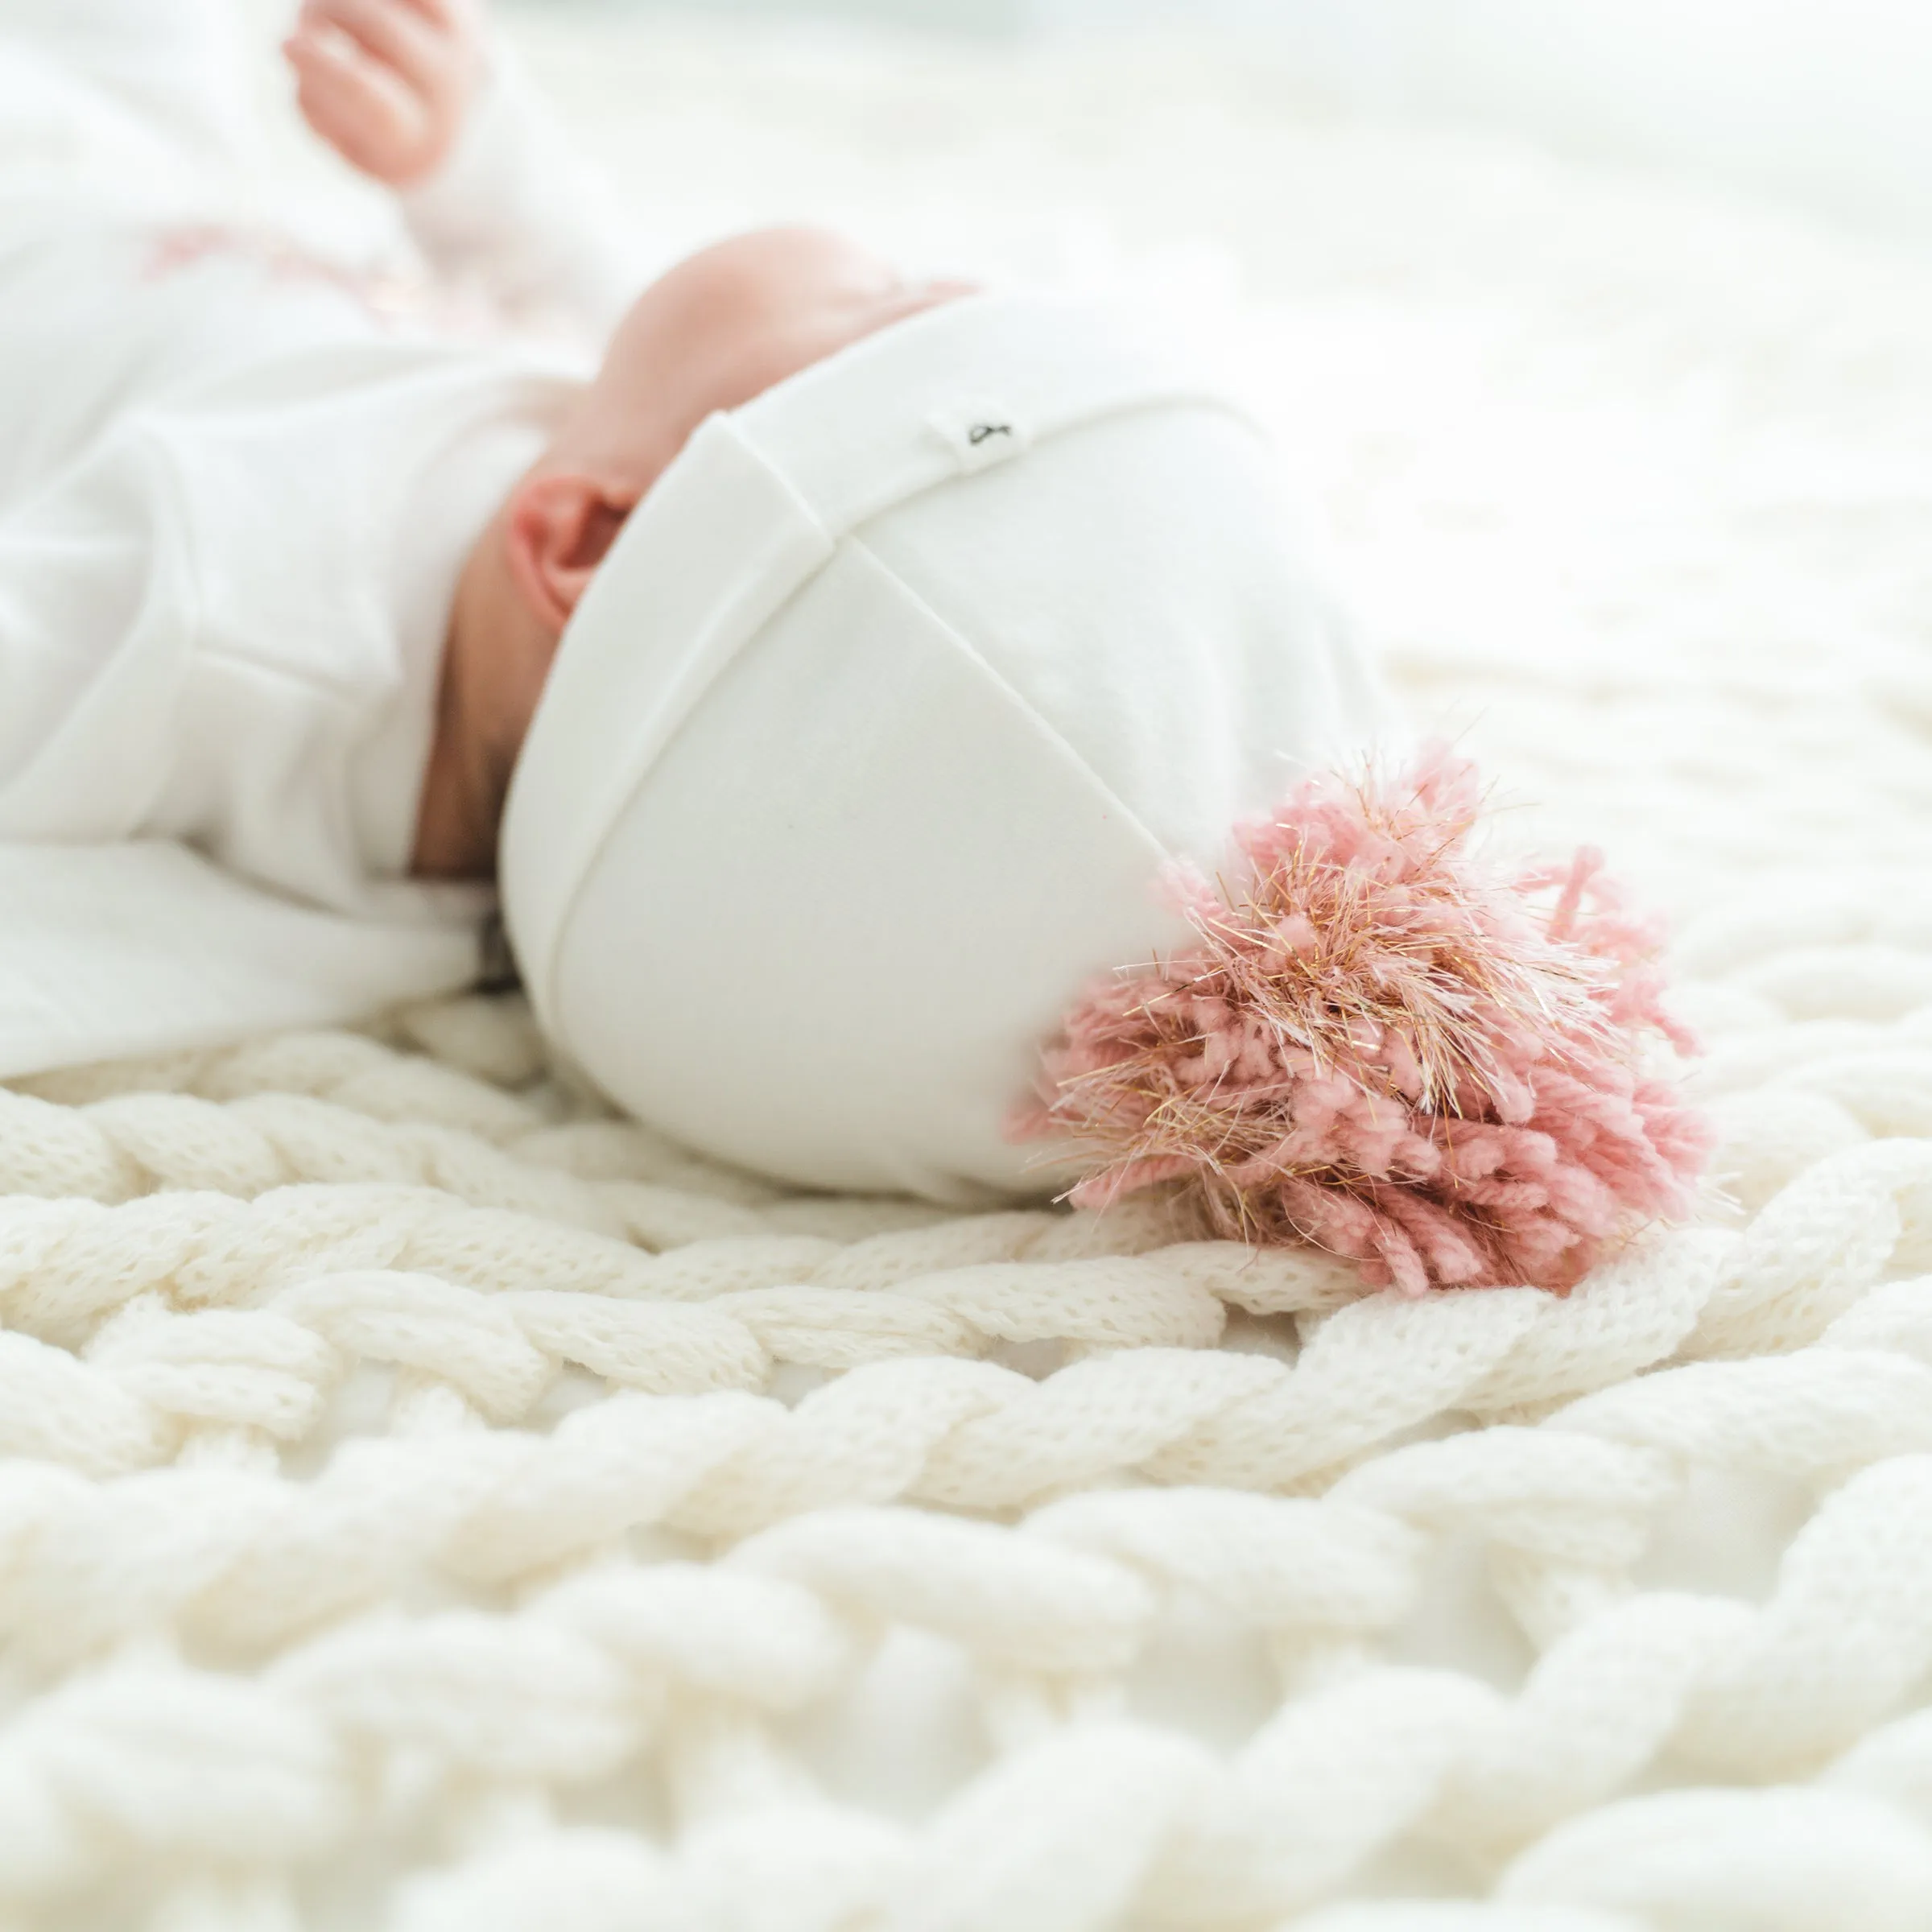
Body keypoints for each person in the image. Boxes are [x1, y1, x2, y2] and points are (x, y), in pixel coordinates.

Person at [0, 0, 1702, 1291]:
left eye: (884, 300)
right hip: (263, 238)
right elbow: (644, 354)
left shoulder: (223, 619)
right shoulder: (622, 605)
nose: (902, 265)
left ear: (582, 542)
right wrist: (475, 180)